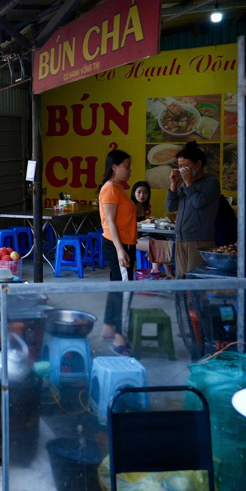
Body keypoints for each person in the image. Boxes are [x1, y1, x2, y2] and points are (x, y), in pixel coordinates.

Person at [98, 149, 137, 356]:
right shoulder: (111, 189)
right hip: (118, 244)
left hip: (121, 243)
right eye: (127, 166)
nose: (129, 170)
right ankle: (119, 340)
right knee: (125, 290)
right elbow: (110, 222)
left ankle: (109, 328)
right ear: (114, 167)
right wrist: (121, 250)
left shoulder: (117, 188)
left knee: (117, 287)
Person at [166, 141, 221, 277]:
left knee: (195, 282)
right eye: (179, 166)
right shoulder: (184, 185)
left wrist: (189, 183)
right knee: (181, 280)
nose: (182, 170)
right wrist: (173, 185)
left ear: (198, 164)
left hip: (199, 240)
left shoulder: (211, 182)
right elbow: (170, 207)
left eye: (186, 166)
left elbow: (198, 203)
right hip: (181, 238)